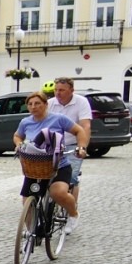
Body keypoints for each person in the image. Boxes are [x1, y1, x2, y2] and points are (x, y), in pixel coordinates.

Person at [13, 92, 89, 234]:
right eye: (30, 104)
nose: (33, 107)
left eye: (37, 103)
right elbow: (17, 135)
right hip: (35, 167)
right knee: (27, 201)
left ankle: (73, 214)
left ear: (46, 104)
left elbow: (79, 131)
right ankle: (31, 230)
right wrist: (18, 144)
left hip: (58, 165)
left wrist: (81, 147)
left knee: (58, 193)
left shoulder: (59, 119)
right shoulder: (25, 122)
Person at [47, 77, 91, 210]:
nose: (57, 93)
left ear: (71, 90)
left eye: (61, 90)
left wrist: (82, 147)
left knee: (71, 178)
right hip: (53, 145)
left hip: (72, 144)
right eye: (55, 90)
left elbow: (85, 126)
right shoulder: (50, 103)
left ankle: (71, 209)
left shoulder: (81, 102)